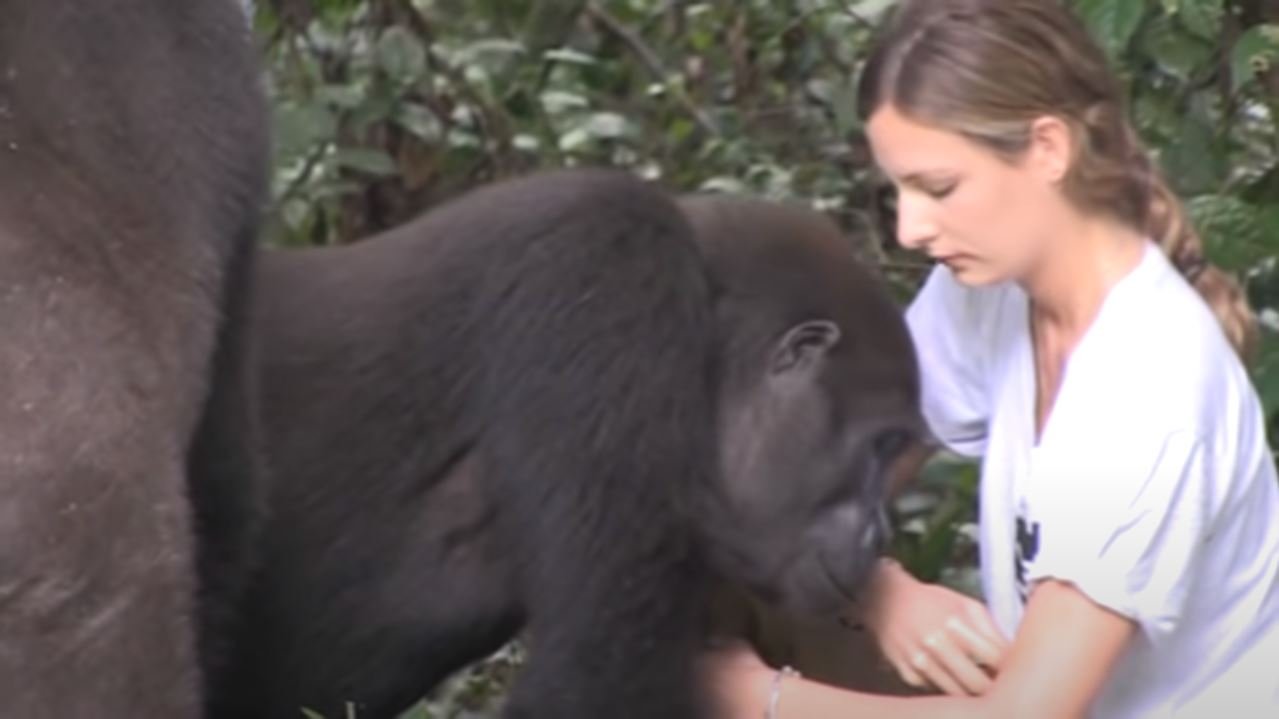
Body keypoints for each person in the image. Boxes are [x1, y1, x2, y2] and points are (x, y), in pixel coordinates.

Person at [702, 1, 1279, 717]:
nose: (911, 229)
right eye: (899, 191)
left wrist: (753, 696)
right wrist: (878, 589)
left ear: (1046, 148)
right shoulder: (990, 288)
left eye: (938, 188)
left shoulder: (1145, 389)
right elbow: (808, 477)